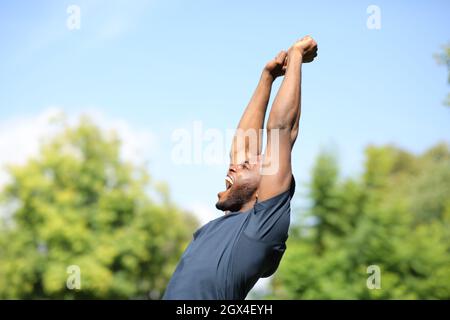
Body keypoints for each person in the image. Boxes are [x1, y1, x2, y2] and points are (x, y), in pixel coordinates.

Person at [163, 36, 318, 300]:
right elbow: (244, 148)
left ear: (264, 190)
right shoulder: (226, 226)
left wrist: (296, 58)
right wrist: (267, 77)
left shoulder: (260, 231)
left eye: (246, 166)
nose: (235, 166)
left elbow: (282, 131)